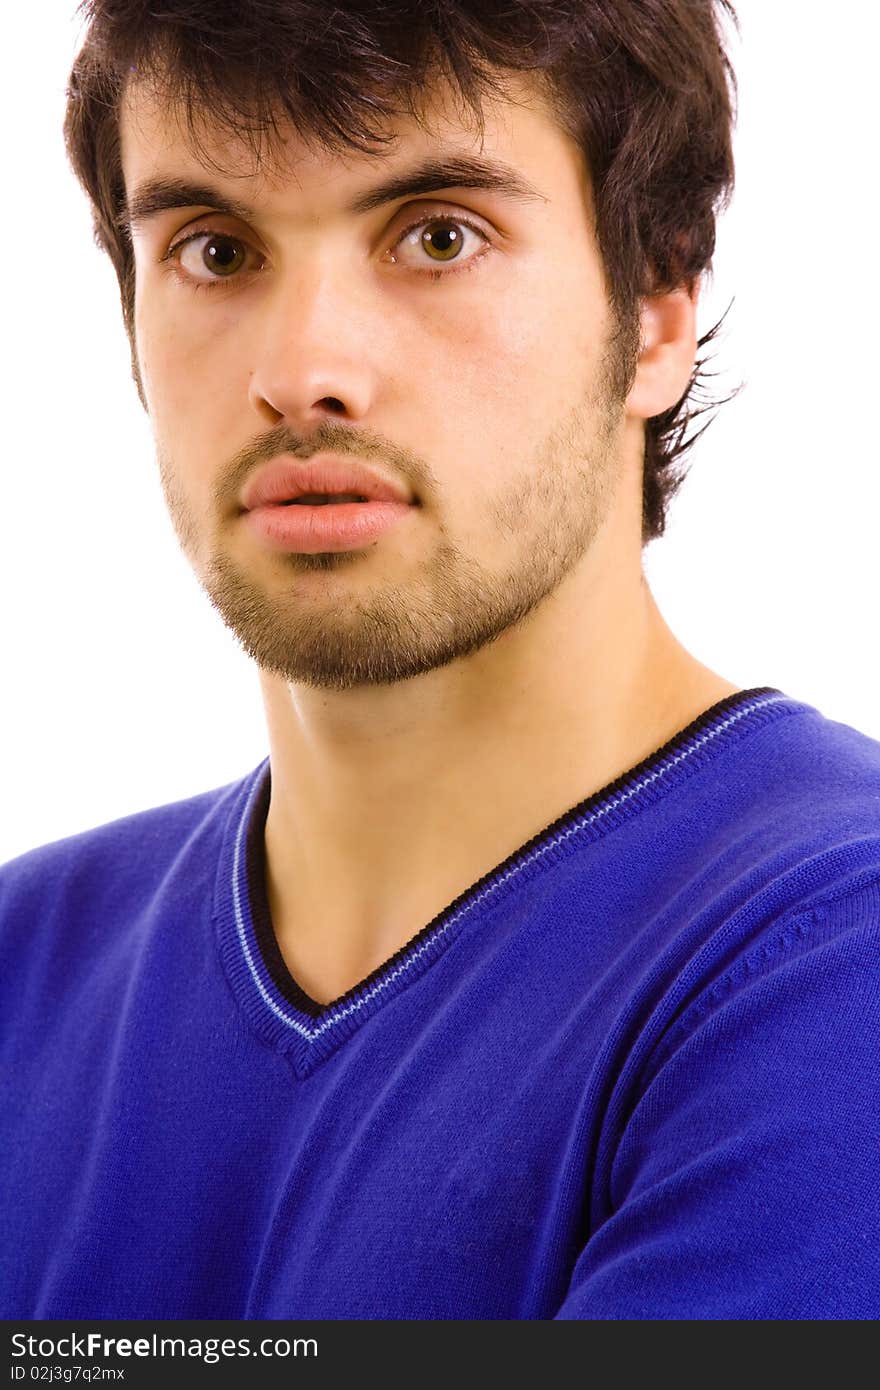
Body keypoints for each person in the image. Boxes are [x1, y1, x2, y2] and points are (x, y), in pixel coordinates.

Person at [1, 0, 878, 1322]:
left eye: (437, 236)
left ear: (653, 316)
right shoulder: (25, 966)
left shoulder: (825, 960)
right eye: (217, 249)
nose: (303, 373)